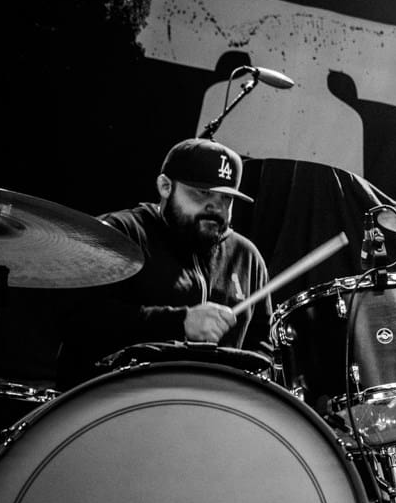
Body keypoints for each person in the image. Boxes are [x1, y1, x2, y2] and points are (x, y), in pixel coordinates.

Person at [58, 137, 272, 384]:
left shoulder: (247, 256)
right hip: (115, 396)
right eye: (203, 193)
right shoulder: (121, 233)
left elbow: (262, 346)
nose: (216, 208)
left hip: (210, 402)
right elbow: (79, 320)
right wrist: (180, 322)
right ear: (165, 186)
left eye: (226, 198)